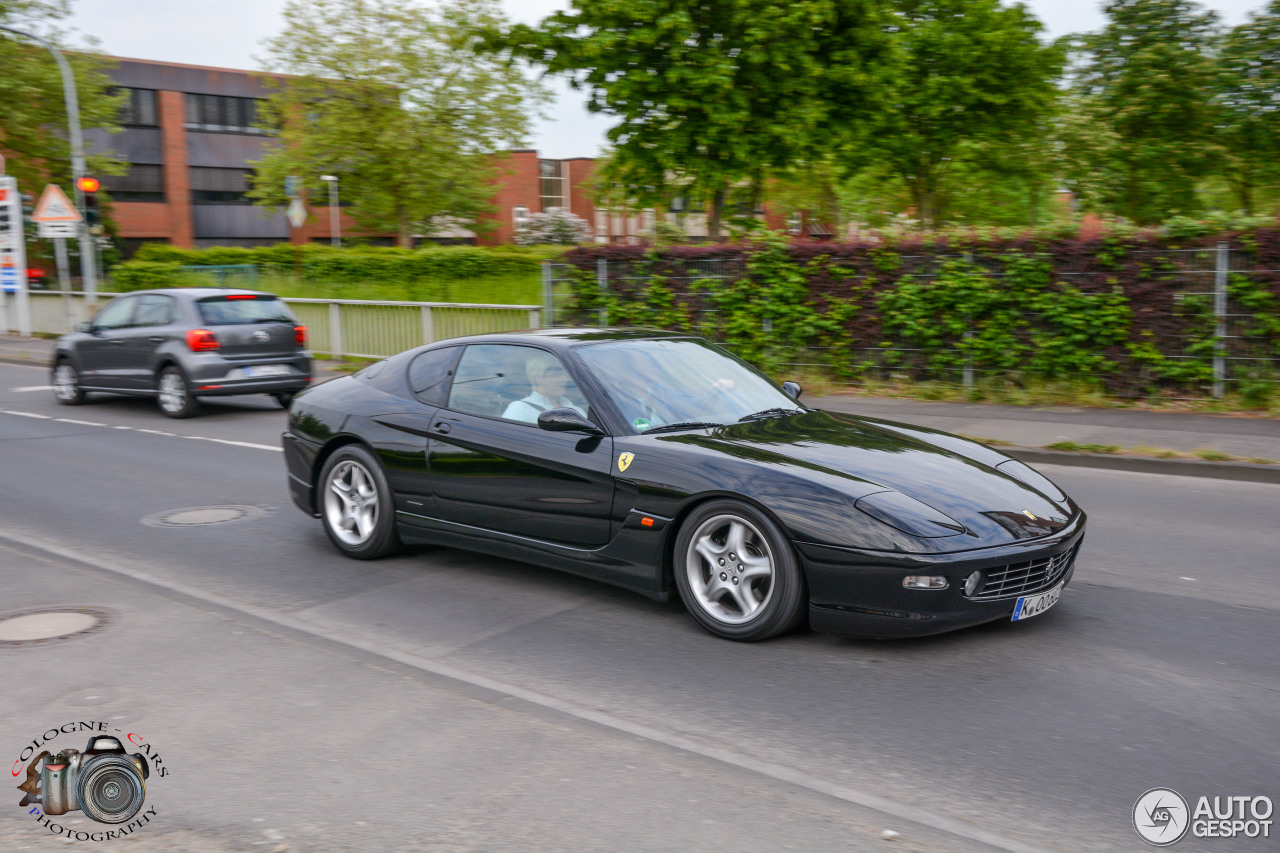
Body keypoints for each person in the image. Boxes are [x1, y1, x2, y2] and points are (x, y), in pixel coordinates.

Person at [502, 352, 587, 423]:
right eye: (556, 375)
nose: (565, 379)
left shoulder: (575, 410)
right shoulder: (519, 409)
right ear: (538, 379)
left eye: (564, 374)